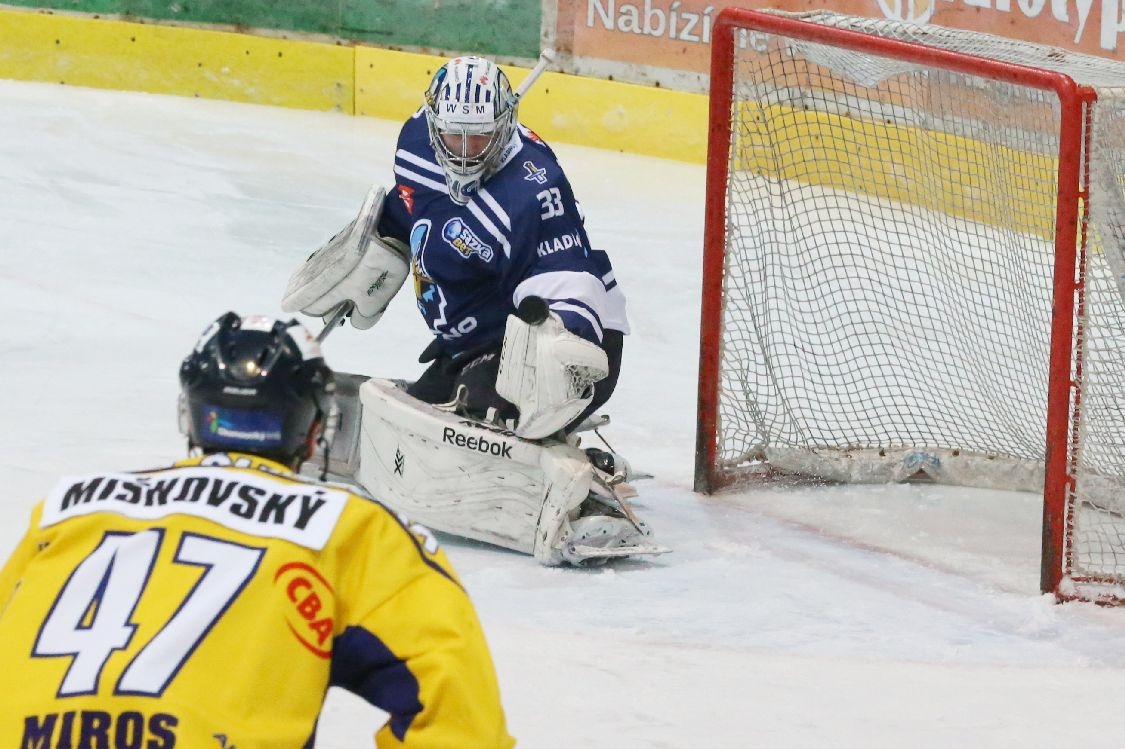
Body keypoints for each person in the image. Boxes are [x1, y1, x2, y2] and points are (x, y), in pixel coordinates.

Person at [0, 311, 515, 748]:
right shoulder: (351, 529)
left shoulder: (69, 509)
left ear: (191, 415)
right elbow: (461, 720)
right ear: (317, 430)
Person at [284, 54, 630, 441]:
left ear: (505, 125)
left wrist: (557, 363)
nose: (466, 151)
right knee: (414, 424)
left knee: (474, 428)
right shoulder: (416, 143)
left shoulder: (530, 192)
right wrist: (375, 244)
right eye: (454, 135)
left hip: (564, 344)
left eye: (481, 136)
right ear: (434, 124)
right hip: (472, 341)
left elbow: (571, 285)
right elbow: (418, 205)